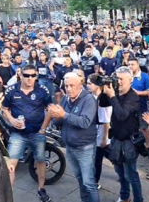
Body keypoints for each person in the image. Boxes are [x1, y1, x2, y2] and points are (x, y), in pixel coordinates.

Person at [3, 65, 53, 202]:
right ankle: (9, 194)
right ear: (20, 75)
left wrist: (43, 128)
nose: (30, 78)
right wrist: (12, 120)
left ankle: (41, 189)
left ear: (36, 76)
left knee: (41, 160)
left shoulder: (42, 90)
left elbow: (51, 109)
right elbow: (5, 109)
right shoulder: (12, 90)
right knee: (11, 163)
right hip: (18, 134)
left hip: (37, 132)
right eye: (26, 75)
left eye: (33, 75)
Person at [49, 72, 99, 202]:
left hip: (84, 148)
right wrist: (55, 116)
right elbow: (59, 121)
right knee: (80, 179)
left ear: (80, 84)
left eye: (72, 85)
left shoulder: (89, 99)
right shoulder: (66, 98)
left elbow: (85, 122)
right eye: (66, 86)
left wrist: (63, 114)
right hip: (70, 147)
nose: (69, 89)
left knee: (89, 183)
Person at [103, 66, 143, 202]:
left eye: (121, 79)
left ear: (130, 81)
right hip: (116, 139)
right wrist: (105, 91)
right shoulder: (115, 93)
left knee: (131, 175)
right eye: (116, 78)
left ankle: (138, 199)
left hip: (129, 141)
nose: (118, 82)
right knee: (120, 174)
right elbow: (103, 104)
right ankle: (125, 196)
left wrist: (112, 96)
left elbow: (122, 114)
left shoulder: (133, 96)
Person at [86, 73, 112, 190]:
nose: (87, 86)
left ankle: (95, 181)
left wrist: (103, 139)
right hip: (96, 132)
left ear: (97, 85)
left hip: (101, 133)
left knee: (99, 158)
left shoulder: (103, 99)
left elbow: (106, 121)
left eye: (89, 83)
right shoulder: (93, 97)